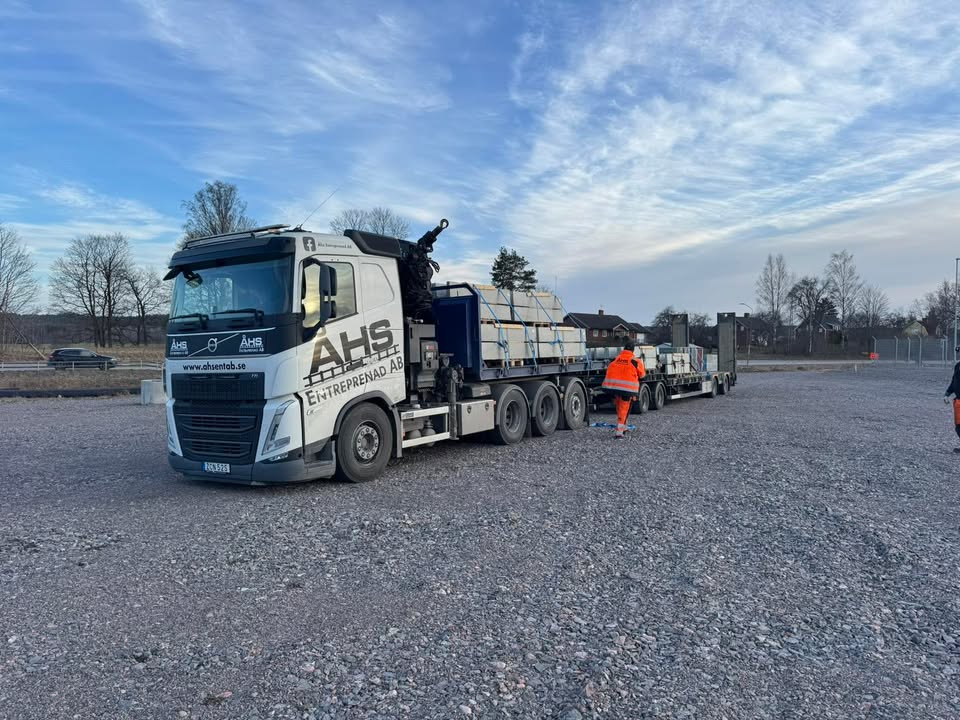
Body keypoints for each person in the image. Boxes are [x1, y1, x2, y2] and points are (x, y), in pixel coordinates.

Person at [601, 340, 646, 438]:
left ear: (624, 349)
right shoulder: (635, 361)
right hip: (627, 389)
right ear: (633, 350)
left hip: (613, 388)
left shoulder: (615, 359)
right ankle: (619, 432)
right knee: (624, 408)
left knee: (619, 407)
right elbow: (642, 376)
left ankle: (623, 427)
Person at [945, 347, 960, 452]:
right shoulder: (958, 366)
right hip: (958, 400)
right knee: (958, 426)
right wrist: (947, 394)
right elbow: (954, 382)